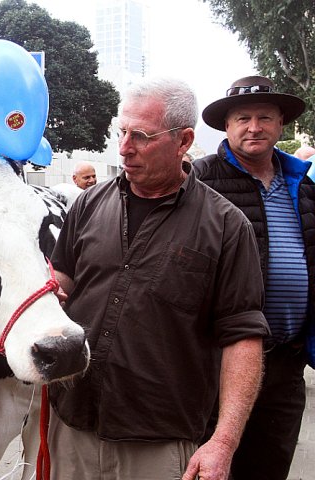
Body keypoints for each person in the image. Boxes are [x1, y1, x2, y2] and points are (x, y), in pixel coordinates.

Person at [48, 78, 270, 480]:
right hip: (74, 426)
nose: (124, 148)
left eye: (142, 136)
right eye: (122, 132)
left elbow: (243, 338)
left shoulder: (225, 226)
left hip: (160, 442)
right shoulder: (87, 205)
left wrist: (223, 442)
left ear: (183, 141)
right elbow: (58, 281)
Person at [194, 75, 313, 480]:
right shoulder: (197, 181)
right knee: (211, 467)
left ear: (282, 125)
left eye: (265, 117)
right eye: (243, 118)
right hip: (217, 363)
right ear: (226, 127)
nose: (254, 127)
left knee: (269, 467)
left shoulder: (306, 186)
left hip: (286, 362)